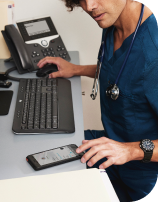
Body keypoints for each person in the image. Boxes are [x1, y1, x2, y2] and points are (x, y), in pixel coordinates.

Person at [37, 0, 158, 201]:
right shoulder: (112, 22)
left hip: (144, 177)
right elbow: (123, 74)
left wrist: (130, 150)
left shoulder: (153, 48)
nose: (89, 6)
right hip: (112, 148)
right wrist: (76, 69)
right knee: (46, 148)